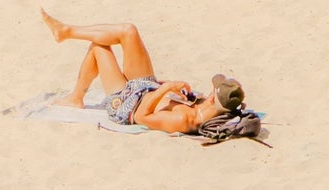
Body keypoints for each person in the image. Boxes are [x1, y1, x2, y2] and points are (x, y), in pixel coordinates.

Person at [39, 12, 247, 135]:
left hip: (127, 104)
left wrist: (166, 88)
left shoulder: (184, 120)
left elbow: (141, 116)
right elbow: (164, 101)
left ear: (213, 98)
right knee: (129, 31)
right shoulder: (203, 107)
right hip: (147, 89)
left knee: (99, 49)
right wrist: (169, 89)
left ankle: (76, 98)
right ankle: (67, 31)